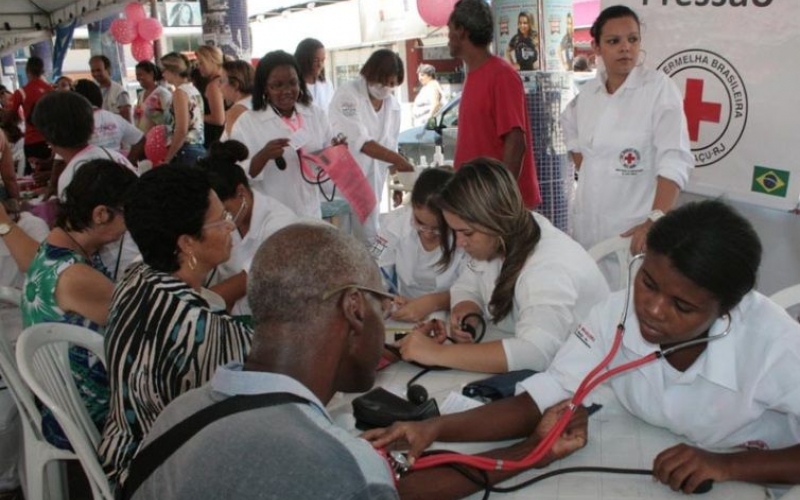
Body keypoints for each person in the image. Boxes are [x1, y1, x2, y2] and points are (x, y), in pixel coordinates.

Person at [367, 199, 800, 496]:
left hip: (753, 478)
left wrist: (726, 466)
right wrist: (436, 429)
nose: (651, 309)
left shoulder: (775, 346)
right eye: (647, 282)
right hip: (643, 445)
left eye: (682, 306)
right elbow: (547, 394)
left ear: (727, 310)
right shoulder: (614, 313)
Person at [98, 166, 253, 489]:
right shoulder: (196, 328)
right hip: (162, 478)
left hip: (126, 448)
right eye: (220, 219)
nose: (230, 226)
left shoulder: (137, 277)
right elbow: (274, 364)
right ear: (186, 243)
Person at [394, 158, 608, 373]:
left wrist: (436, 354)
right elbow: (467, 286)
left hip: (585, 374)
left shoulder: (548, 267)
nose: (459, 242)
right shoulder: (502, 237)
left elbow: (535, 352)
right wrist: (467, 312)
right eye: (455, 231)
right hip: (540, 362)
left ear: (495, 220)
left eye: (466, 233)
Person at [21, 160, 137, 449]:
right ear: (101, 214)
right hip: (82, 413)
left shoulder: (54, 245)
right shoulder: (75, 276)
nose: (130, 226)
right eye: (128, 214)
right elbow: (138, 327)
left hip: (57, 396)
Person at [560, 5, 693, 254]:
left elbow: (675, 160)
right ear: (597, 47)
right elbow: (569, 127)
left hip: (635, 234)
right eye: (614, 41)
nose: (625, 48)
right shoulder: (589, 94)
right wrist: (592, 168)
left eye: (633, 39)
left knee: (631, 291)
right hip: (588, 230)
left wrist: (656, 218)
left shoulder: (658, 90)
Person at [448, 0, 541, 210]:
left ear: (461, 31)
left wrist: (499, 200)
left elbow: (516, 142)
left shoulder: (501, 75)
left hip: (498, 207)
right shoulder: (474, 75)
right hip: (476, 200)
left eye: (449, 30)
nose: (448, 37)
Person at [230, 50, 340, 219]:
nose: (287, 90)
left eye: (292, 83)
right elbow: (234, 176)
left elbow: (328, 161)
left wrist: (337, 151)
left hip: (310, 212)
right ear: (265, 87)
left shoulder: (316, 115)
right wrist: (262, 157)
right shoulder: (247, 122)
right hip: (270, 218)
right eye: (277, 85)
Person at [196, 140, 300, 315]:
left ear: (241, 192)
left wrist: (191, 305)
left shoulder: (280, 224)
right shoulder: (231, 218)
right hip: (231, 312)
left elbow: (249, 279)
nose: (222, 221)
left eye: (225, 211)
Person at [329, 49, 414, 245]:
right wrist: (398, 161)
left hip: (372, 182)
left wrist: (398, 181)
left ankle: (371, 274)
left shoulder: (393, 106)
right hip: (344, 179)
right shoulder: (348, 96)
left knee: (369, 238)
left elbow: (390, 145)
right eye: (381, 80)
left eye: (391, 83)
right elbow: (362, 142)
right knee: (340, 239)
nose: (384, 87)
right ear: (369, 74)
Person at [377, 168, 466, 322]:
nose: (428, 234)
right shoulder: (393, 224)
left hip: (453, 310)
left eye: (438, 229)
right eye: (420, 223)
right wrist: (382, 297)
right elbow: (374, 265)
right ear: (411, 207)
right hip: (402, 308)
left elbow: (475, 287)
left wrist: (433, 303)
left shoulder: (464, 236)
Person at [73, 79, 145, 161]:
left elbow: (59, 164)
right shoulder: (115, 118)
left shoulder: (74, 123)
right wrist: (128, 163)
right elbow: (140, 139)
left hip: (87, 171)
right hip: (115, 168)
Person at [2, 56, 52, 175]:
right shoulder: (50, 90)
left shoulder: (21, 92)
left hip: (32, 140)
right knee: (49, 173)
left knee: (34, 174)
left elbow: (11, 115)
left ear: (27, 70)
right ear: (42, 71)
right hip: (51, 139)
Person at [160, 52, 205, 167]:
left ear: (173, 70)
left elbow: (181, 130)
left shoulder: (180, 93)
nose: (163, 74)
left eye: (164, 69)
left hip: (186, 150)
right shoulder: (192, 89)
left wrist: (167, 159)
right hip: (197, 146)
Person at [195, 45, 226, 148]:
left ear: (211, 61)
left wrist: (195, 115)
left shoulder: (213, 85)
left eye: (201, 63)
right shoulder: (222, 80)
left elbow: (218, 119)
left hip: (215, 137)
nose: (198, 67)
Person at [294, 38, 334, 113]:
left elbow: (335, 108)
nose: (320, 65)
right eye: (316, 60)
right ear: (303, 60)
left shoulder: (326, 84)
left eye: (322, 60)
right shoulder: (294, 87)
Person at [89, 55, 132, 122]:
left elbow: (127, 122)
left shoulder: (119, 92)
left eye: (98, 70)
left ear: (108, 70)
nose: (95, 74)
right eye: (93, 71)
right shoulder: (92, 91)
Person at [219, 60, 254, 140]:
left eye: (221, 81)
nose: (219, 86)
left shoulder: (236, 111)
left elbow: (232, 149)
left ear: (235, 84)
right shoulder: (255, 101)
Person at [133, 61, 172, 134]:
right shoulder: (141, 94)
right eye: (137, 75)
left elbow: (169, 119)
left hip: (158, 138)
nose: (138, 78)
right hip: (142, 137)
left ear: (151, 74)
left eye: (140, 74)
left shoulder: (162, 93)